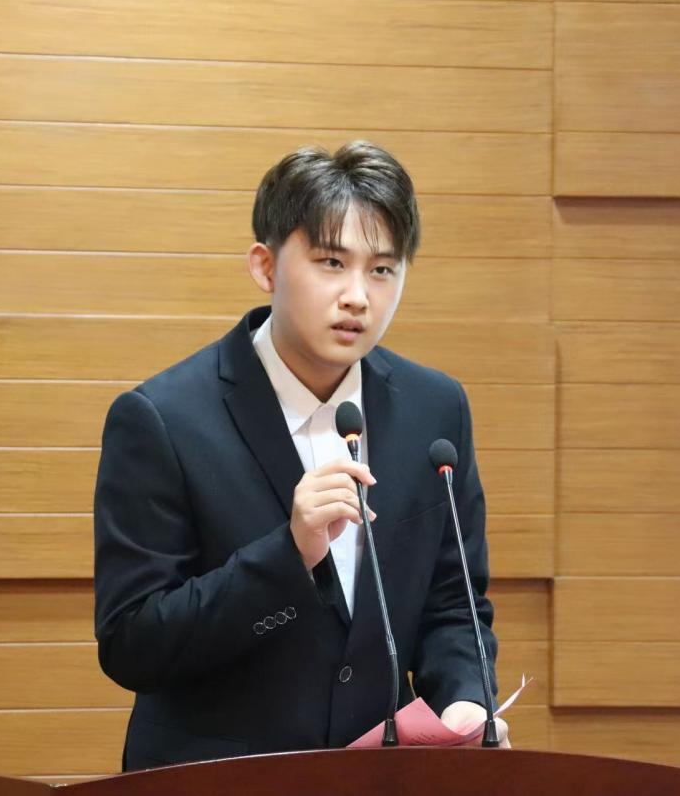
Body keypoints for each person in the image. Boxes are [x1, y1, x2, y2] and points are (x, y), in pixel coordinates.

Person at [93, 141, 506, 771]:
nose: (358, 296)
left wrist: (466, 700)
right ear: (265, 266)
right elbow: (132, 644)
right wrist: (288, 556)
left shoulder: (434, 409)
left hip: (381, 779)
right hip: (219, 781)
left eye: (382, 270)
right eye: (331, 262)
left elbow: (455, 604)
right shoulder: (162, 419)